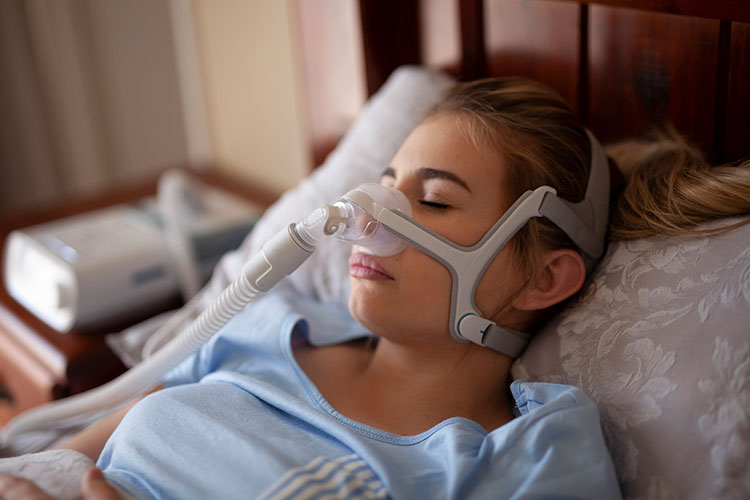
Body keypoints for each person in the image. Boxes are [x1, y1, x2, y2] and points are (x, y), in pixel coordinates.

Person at [2, 77, 749, 500]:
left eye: (434, 200)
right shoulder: (270, 327)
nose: (371, 218)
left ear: (544, 277)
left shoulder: (529, 454)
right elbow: (55, 462)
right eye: (385, 188)